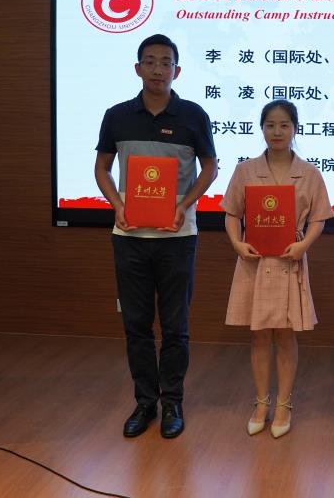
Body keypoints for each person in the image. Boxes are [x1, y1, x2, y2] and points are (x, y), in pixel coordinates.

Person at [94, 33, 218, 439]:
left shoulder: (193, 115)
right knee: (136, 325)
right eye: (150, 61)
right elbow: (102, 169)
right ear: (137, 68)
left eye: (166, 62)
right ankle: (145, 402)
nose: (158, 69)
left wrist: (185, 205)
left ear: (177, 71)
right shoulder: (117, 115)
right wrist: (117, 204)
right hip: (129, 235)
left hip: (177, 236)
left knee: (175, 326)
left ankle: (172, 403)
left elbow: (210, 168)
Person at [221, 100, 333, 438]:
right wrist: (236, 242)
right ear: (262, 128)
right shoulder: (245, 170)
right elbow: (231, 213)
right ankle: (261, 403)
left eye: (284, 125)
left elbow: (319, 218)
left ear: (295, 128)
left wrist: (304, 244)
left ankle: (283, 404)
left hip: (288, 260)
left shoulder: (309, 173)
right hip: (254, 261)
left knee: (285, 335)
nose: (277, 131)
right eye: (270, 125)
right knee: (258, 335)